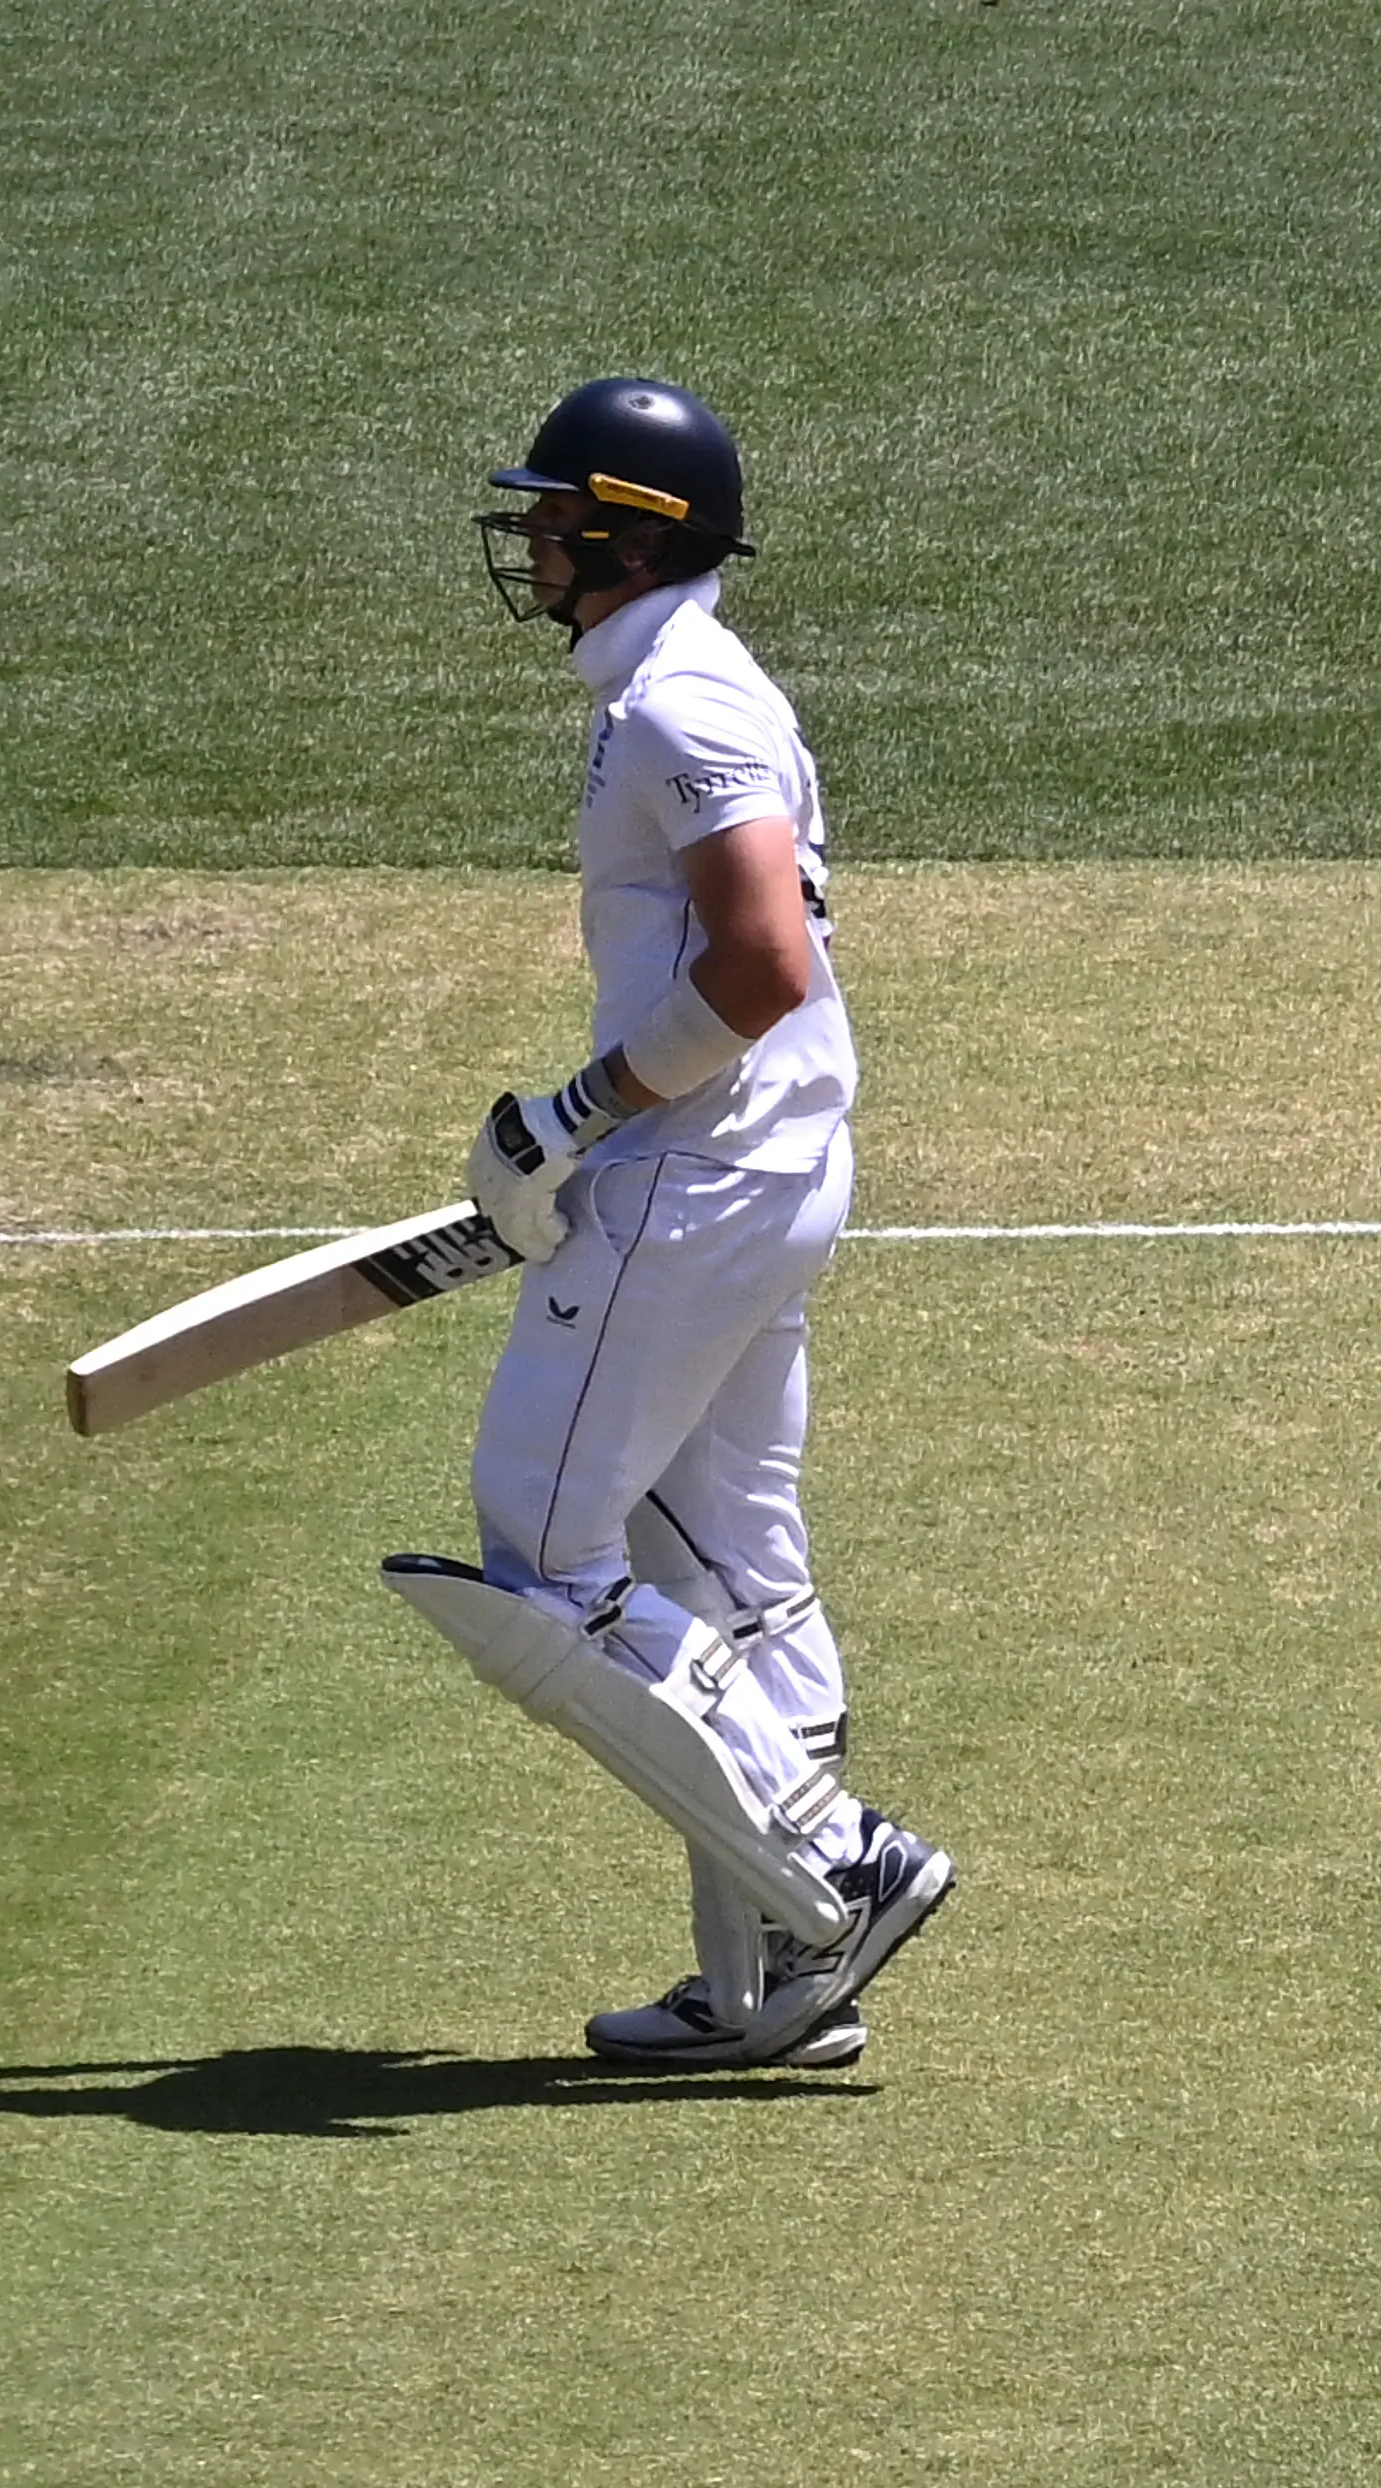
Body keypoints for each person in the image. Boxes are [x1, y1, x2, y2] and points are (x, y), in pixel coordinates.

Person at [388, 375, 953, 2067]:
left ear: (634, 531)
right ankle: (771, 1979)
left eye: (557, 515)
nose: (532, 539)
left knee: (541, 1557)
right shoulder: (670, 682)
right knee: (728, 1576)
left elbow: (764, 964)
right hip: (762, 1170)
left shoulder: (684, 705)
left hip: (694, 1178)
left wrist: (571, 1118)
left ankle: (836, 1861)